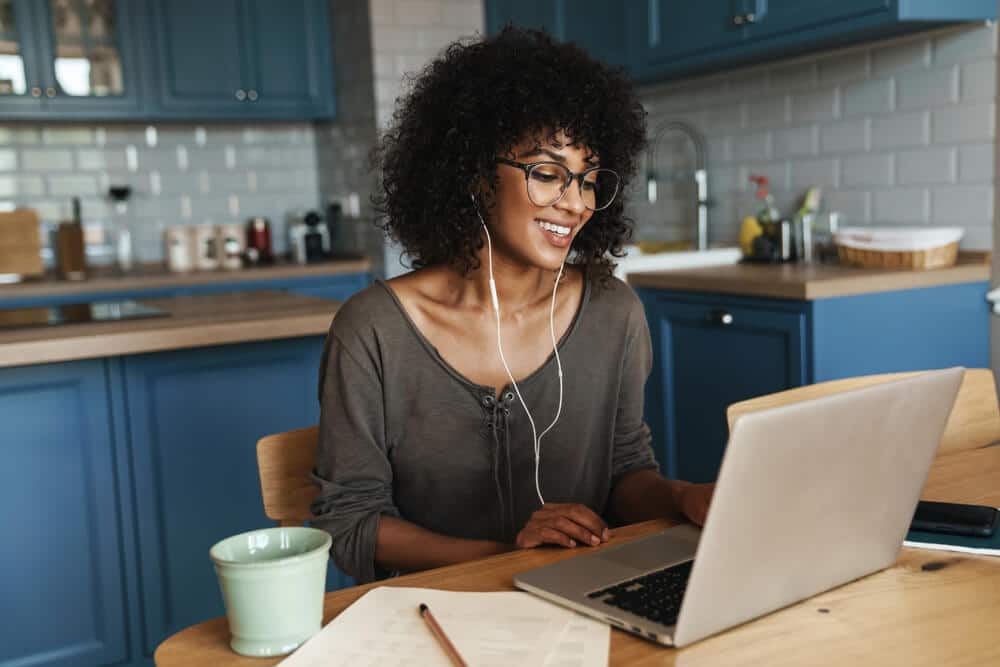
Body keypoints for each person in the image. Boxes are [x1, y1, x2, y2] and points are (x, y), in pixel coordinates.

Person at [311, 26, 714, 585]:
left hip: (580, 600)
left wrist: (684, 496)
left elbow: (626, 473)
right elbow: (352, 523)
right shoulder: (373, 328)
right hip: (429, 613)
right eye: (547, 173)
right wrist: (507, 557)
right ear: (474, 174)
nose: (575, 204)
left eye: (589, 179)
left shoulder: (612, 312)